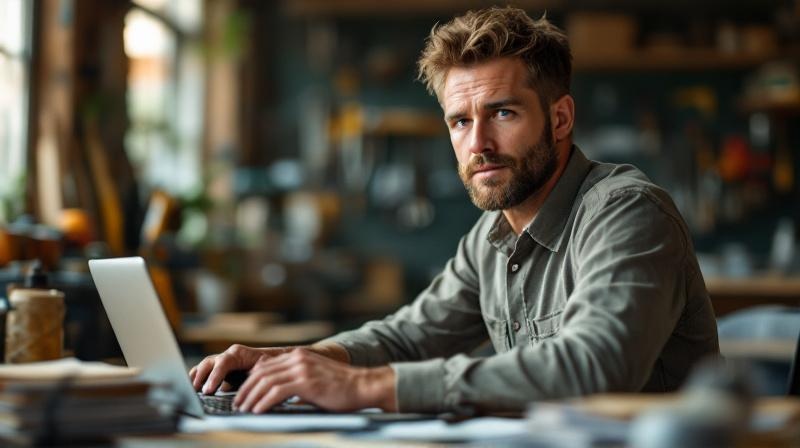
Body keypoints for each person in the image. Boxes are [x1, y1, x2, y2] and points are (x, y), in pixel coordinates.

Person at [190, 6, 719, 414]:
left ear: (560, 120)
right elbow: (409, 336)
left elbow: (597, 365)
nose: (478, 143)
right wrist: (292, 362)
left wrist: (368, 386)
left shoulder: (626, 212)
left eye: (502, 113)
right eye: (460, 122)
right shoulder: (493, 235)